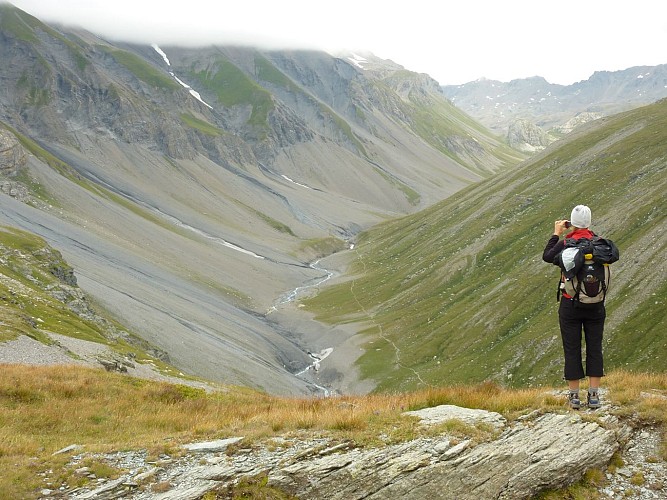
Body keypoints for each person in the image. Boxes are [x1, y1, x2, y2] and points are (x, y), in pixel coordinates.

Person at [542, 205, 604, 410]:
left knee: (572, 347)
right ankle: (594, 396)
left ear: (571, 223)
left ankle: (574, 397)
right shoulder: (598, 243)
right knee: (595, 346)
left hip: (570, 303)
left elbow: (547, 256)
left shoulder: (566, 243)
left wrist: (556, 233)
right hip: (595, 304)